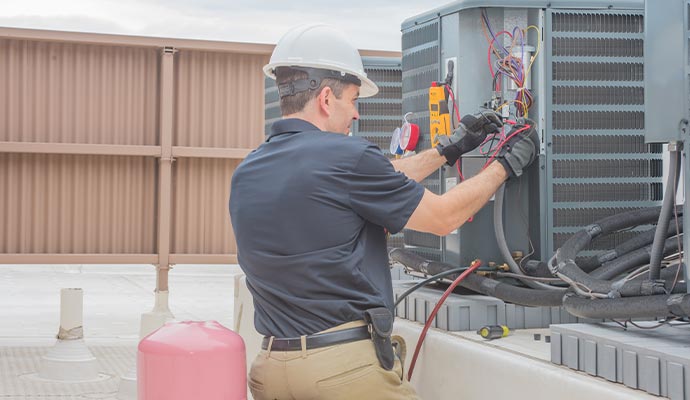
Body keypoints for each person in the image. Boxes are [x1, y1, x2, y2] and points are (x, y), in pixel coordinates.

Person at [229, 23, 539, 400]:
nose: (356, 115)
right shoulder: (347, 158)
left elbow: (375, 178)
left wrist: (448, 150)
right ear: (327, 98)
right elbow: (442, 218)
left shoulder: (250, 170)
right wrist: (506, 163)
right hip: (342, 371)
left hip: (271, 371)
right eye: (353, 100)